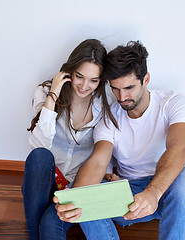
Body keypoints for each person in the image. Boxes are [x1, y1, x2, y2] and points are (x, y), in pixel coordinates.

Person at [55, 40, 185, 240]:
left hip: (163, 191)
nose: (122, 97)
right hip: (126, 194)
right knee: (78, 193)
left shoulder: (173, 103)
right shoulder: (110, 116)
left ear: (146, 79)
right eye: (115, 89)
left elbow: (179, 148)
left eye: (129, 88)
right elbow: (98, 160)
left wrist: (153, 193)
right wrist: (77, 199)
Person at [22, 39, 119, 240]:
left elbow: (106, 143)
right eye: (79, 76)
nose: (84, 86)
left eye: (94, 80)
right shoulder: (46, 91)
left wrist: (109, 171)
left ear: (101, 81)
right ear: (69, 72)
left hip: (79, 183)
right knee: (40, 156)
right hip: (44, 182)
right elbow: (38, 147)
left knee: (50, 224)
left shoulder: (106, 104)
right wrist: (53, 96)